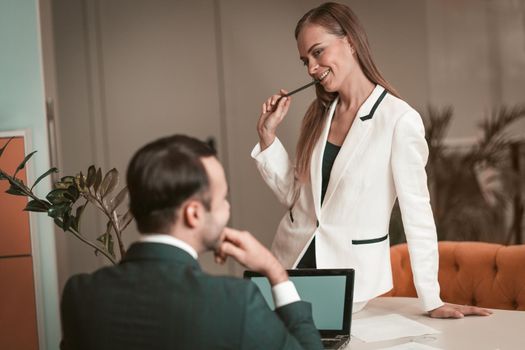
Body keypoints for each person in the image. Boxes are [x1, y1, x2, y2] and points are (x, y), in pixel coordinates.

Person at [251, 2, 491, 318]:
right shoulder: (319, 115)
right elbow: (297, 199)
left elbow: (417, 213)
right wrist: (268, 137)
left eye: (318, 52)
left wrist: (431, 299)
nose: (311, 67)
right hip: (288, 264)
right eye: (305, 60)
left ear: (350, 41)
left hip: (347, 279)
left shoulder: (399, 120)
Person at [60, 135, 323, 350]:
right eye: (223, 200)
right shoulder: (234, 302)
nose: (227, 209)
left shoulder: (80, 295)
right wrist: (275, 271)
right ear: (194, 213)